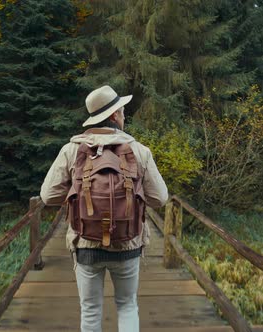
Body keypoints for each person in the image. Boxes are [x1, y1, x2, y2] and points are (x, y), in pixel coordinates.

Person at [40, 85, 168, 332]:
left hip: (86, 245)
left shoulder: (72, 150)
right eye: (121, 110)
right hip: (127, 244)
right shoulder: (139, 150)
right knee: (127, 306)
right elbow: (160, 198)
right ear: (113, 116)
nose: (124, 114)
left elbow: (48, 196)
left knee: (90, 311)